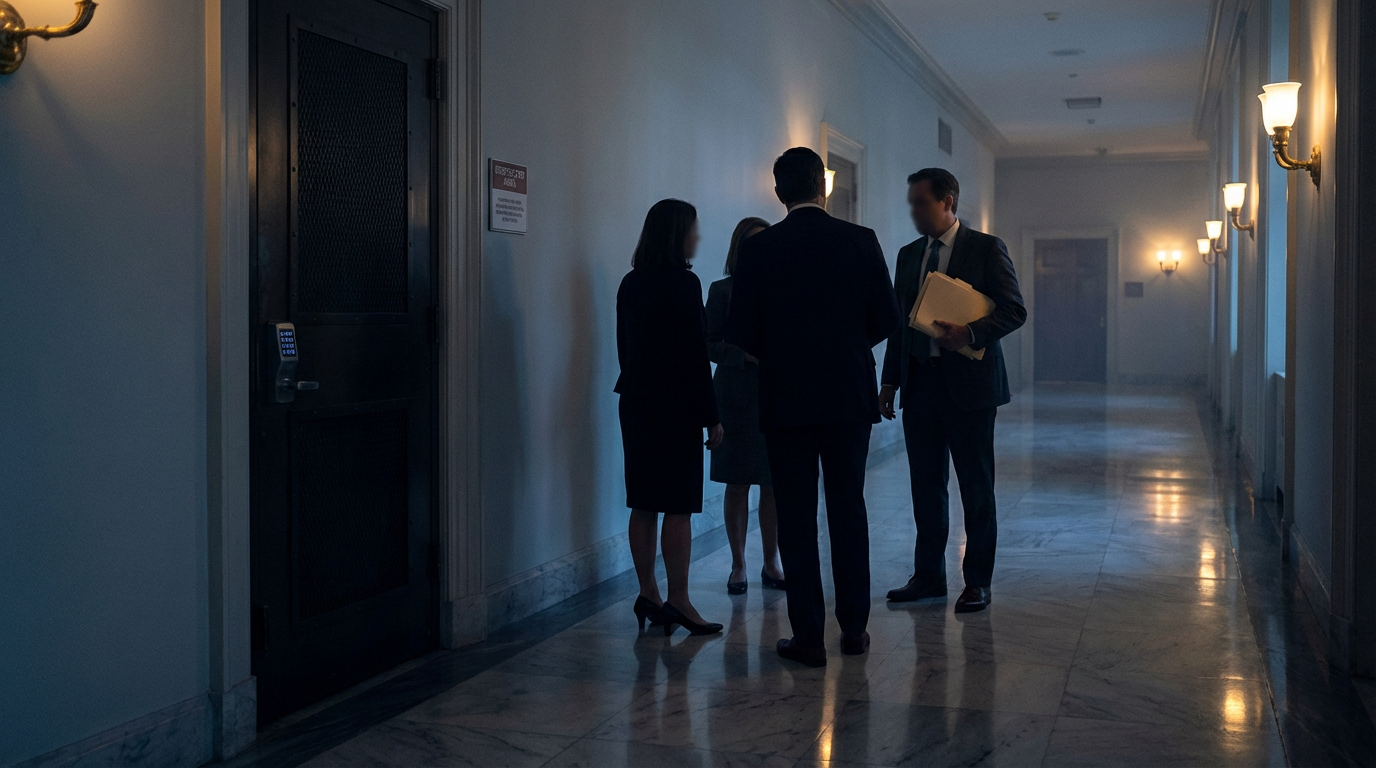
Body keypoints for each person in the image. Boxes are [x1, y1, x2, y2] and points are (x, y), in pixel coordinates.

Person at [726, 148, 902, 667]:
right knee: (849, 509)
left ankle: (807, 637)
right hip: (849, 394)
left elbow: (741, 333)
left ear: (779, 193)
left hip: (786, 397)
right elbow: (887, 319)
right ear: (822, 189)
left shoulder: (761, 251)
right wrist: (846, 349)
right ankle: (854, 629)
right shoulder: (860, 240)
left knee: (797, 516)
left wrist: (785, 356)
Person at [879, 168, 1026, 614]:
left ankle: (977, 581)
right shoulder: (908, 255)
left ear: (948, 202)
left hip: (970, 387)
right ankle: (928, 577)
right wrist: (889, 381)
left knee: (976, 487)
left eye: (921, 202)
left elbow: (1014, 310)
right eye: (912, 202)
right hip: (920, 385)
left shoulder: (985, 248)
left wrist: (971, 333)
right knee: (926, 486)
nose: (914, 211)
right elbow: (898, 324)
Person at [615, 198, 725, 636]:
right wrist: (711, 415)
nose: (697, 236)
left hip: (638, 402)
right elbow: (694, 357)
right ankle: (679, 600)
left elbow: (626, 349)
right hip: (675, 406)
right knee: (678, 508)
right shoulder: (684, 283)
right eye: (693, 229)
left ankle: (649, 594)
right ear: (678, 233)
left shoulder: (630, 282)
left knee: (643, 503)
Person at [705, 217, 786, 596]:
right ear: (739, 248)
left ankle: (771, 562)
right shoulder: (722, 291)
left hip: (775, 396)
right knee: (736, 483)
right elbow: (708, 344)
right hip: (735, 398)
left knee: (772, 485)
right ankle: (738, 564)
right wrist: (743, 355)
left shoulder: (784, 289)